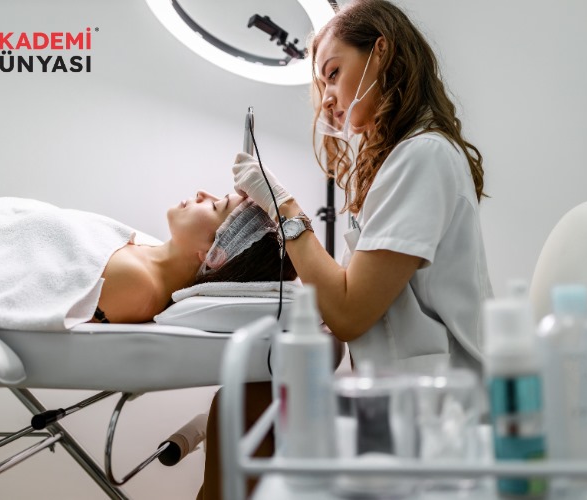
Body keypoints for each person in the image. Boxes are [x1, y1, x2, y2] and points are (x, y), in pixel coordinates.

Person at [199, 0, 492, 497]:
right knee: (247, 403)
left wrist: (284, 208)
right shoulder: (408, 159)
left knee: (244, 410)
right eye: (323, 84)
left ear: (381, 52)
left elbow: (351, 312)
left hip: (441, 416)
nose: (328, 99)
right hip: (406, 398)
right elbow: (356, 298)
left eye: (333, 73)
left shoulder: (423, 156)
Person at [0, 192, 296, 330]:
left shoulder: (138, 285)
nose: (200, 193)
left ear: (214, 254)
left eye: (215, 205)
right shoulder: (143, 256)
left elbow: (24, 279)